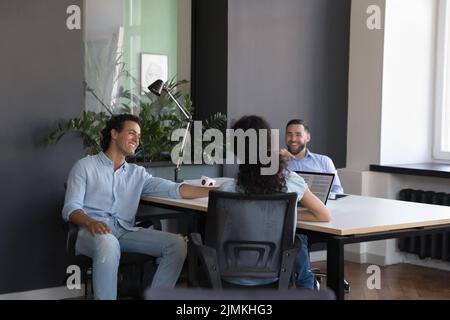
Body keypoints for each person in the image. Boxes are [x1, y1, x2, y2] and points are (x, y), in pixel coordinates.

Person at [62, 114, 213, 300]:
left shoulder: (138, 174)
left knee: (177, 244)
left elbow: (174, 190)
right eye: (132, 133)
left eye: (138, 136)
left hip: (125, 232)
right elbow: (70, 208)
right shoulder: (85, 166)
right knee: (108, 242)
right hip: (89, 233)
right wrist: (90, 222)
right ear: (114, 134)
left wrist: (213, 192)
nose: (136, 139)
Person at [219, 115, 331, 288]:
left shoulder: (226, 190)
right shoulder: (292, 181)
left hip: (228, 276)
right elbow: (323, 215)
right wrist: (287, 216)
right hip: (276, 275)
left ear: (237, 150)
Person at [281, 119, 344, 194]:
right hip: (288, 205)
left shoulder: (324, 161)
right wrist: (276, 160)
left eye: (298, 134)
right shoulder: (278, 162)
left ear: (307, 137)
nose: (293, 139)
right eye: (289, 134)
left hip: (319, 205)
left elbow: (337, 190)